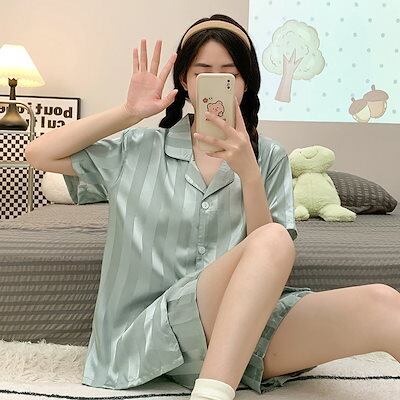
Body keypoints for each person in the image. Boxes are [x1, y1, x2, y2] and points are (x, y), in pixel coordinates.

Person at [25, 13, 400, 400]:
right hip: (149, 338)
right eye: (203, 72)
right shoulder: (137, 149)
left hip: (236, 337)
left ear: (245, 83)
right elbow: (38, 154)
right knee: (274, 237)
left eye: (230, 74)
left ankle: (215, 382)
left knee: (383, 302)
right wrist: (129, 112)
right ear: (185, 81)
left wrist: (249, 174)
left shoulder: (268, 156)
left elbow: (269, 260)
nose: (216, 82)